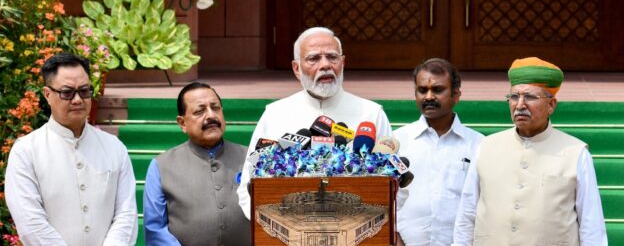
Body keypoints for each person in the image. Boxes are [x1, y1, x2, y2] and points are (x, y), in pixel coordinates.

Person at [237, 26, 393, 218]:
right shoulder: (275, 114)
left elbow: (396, 186)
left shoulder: (371, 114)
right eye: (314, 58)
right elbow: (248, 186)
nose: (325, 65)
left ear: (342, 63)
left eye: (332, 57)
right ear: (296, 68)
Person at [453, 57, 608, 246]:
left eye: (530, 97)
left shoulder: (576, 152)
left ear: (551, 105)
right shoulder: (486, 146)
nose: (519, 105)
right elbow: (467, 214)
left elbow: (591, 224)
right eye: (514, 97)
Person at [5, 53, 138, 246]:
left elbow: (126, 213)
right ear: (47, 94)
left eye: (84, 91)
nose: (77, 99)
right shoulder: (26, 151)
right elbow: (31, 222)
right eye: (67, 92)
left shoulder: (114, 147)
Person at [143, 82, 250, 246]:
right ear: (182, 123)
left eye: (215, 108)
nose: (211, 116)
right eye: (200, 111)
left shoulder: (250, 158)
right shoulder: (161, 166)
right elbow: (155, 229)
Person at [392, 58, 483, 246]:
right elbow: (384, 199)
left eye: (438, 90)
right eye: (422, 90)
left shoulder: (478, 144)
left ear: (456, 95)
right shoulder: (396, 141)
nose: (429, 97)